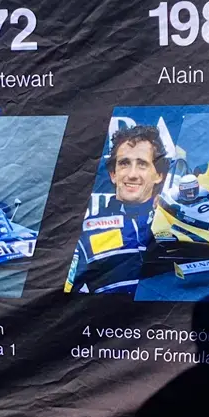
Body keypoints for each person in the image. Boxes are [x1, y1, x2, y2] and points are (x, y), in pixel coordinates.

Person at [64, 124, 165, 294]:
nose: (132, 174)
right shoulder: (86, 231)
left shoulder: (174, 221)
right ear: (113, 174)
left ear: (159, 175)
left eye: (142, 164)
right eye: (124, 164)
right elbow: (61, 296)